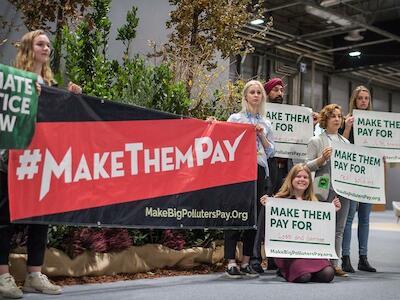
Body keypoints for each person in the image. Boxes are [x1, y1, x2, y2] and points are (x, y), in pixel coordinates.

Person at [0, 30, 81, 299]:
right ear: (28, 48)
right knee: (5, 218)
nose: (46, 48)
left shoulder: (50, 83)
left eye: (48, 45)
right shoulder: (10, 80)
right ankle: (3, 277)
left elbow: (59, 123)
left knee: (41, 217)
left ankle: (34, 274)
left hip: (41, 162)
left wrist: (71, 98)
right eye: (40, 43)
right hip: (11, 160)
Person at [222, 80, 275, 279]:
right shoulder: (235, 118)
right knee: (235, 213)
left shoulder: (266, 123)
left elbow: (271, 152)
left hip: (260, 169)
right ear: (245, 96)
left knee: (254, 215)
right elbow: (223, 142)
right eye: (252, 92)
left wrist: (261, 136)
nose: (255, 95)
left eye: (259, 92)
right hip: (238, 171)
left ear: (262, 96)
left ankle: (246, 261)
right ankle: (230, 261)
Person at [260, 164, 339, 283]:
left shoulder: (314, 202)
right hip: (290, 253)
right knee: (303, 277)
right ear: (291, 179)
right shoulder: (279, 201)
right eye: (298, 176)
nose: (302, 180)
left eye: (305, 177)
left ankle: (305, 271)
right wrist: (267, 207)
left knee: (328, 274)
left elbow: (320, 229)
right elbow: (271, 229)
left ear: (309, 182)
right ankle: (287, 270)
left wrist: (333, 211)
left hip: (310, 251)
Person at [306, 103, 350, 277]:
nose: (337, 119)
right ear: (326, 119)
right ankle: (320, 262)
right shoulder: (316, 140)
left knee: (339, 228)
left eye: (339, 116)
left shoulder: (346, 143)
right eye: (333, 116)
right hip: (322, 190)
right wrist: (321, 159)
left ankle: (335, 263)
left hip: (343, 191)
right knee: (321, 227)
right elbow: (305, 166)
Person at [340, 86, 376, 273]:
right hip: (352, 176)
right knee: (348, 217)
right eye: (360, 98)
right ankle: (345, 257)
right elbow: (341, 146)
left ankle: (363, 257)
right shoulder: (346, 120)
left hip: (370, 177)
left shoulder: (375, 123)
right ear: (354, 100)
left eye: (366, 98)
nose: (363, 101)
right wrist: (347, 127)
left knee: (365, 218)